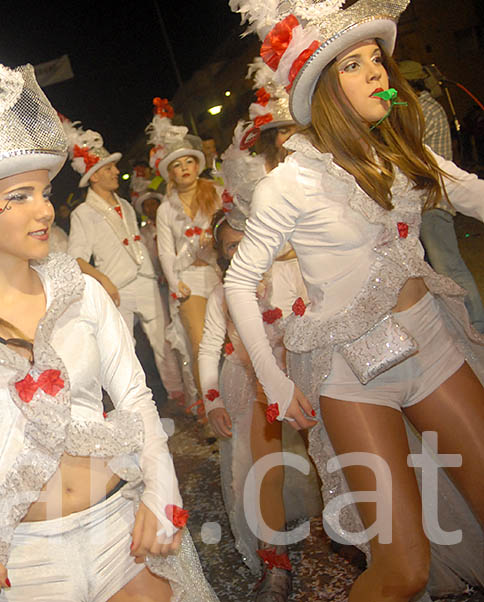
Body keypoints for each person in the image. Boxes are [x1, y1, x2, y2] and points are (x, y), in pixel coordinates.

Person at [0, 4, 218, 600]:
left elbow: (135, 398)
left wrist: (162, 492)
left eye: (42, 192)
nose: (42, 209)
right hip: (20, 561)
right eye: (18, 196)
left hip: (123, 531)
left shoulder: (81, 293)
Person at [225, 1, 484, 599]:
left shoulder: (401, 151)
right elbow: (239, 282)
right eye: (354, 66)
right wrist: (274, 380)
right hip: (352, 377)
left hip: (432, 345)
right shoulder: (289, 182)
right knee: (404, 570)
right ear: (321, 90)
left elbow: (470, 194)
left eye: (377, 61)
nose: (377, 74)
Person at [198, 127, 321, 599]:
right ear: (222, 257)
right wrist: (211, 398)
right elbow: (210, 348)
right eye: (231, 247)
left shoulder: (294, 270)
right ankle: (275, 561)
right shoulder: (222, 296)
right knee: (263, 466)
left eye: (249, 240)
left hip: (305, 372)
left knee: (329, 452)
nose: (242, 251)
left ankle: (367, 534)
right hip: (250, 383)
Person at [64, 118, 187, 407]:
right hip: (116, 288)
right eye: (109, 168)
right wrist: (104, 281)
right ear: (94, 176)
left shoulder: (126, 205)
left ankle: (181, 398)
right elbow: (75, 257)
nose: (116, 172)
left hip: (144, 280)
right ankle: (132, 406)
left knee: (166, 343)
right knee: (122, 350)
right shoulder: (83, 212)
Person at [148, 99, 223, 412]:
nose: (184, 170)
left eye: (188, 163)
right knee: (198, 343)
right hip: (189, 280)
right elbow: (165, 251)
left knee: (228, 342)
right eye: (177, 166)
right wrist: (177, 283)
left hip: (217, 273)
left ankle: (236, 402)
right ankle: (208, 407)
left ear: (196, 163)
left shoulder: (214, 192)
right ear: (171, 174)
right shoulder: (166, 209)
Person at [398, 59, 484, 333]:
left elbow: (432, 169)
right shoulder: (416, 109)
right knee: (434, 272)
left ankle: (477, 327)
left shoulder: (422, 110)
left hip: (432, 202)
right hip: (420, 203)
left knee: (450, 268)